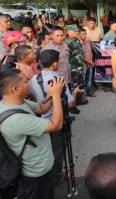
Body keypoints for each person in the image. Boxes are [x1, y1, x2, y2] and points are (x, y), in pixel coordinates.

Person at [0, 69, 65, 199]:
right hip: (36, 173)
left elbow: (42, 108)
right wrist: (56, 96)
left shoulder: (13, 102)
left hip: (38, 165)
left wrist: (50, 93)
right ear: (15, 88)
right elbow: (56, 125)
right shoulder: (15, 119)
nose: (30, 83)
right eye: (26, 81)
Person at [29, 50, 80, 183]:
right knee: (58, 150)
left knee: (47, 149)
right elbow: (69, 104)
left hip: (42, 119)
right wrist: (74, 93)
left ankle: (49, 171)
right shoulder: (58, 80)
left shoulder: (34, 79)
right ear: (55, 63)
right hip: (58, 120)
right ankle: (57, 176)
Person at [64, 25, 85, 91]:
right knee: (74, 84)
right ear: (68, 32)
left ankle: (80, 97)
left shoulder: (77, 40)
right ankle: (74, 99)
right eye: (75, 31)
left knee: (79, 83)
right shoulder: (66, 42)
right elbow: (67, 56)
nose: (77, 32)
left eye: (77, 31)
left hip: (80, 66)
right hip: (73, 67)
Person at [79, 28, 96, 97]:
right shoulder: (78, 44)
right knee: (83, 80)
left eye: (85, 34)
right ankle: (83, 95)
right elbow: (81, 56)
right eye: (83, 34)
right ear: (78, 35)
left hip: (89, 64)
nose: (85, 35)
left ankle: (89, 91)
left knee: (89, 79)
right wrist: (89, 62)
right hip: (83, 65)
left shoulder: (87, 42)